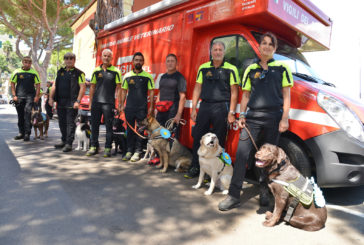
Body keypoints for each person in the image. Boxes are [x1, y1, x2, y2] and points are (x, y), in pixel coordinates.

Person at [218, 32, 294, 211]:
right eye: (264, 43)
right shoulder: (250, 70)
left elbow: (286, 96)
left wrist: (284, 119)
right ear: (259, 47)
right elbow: (245, 94)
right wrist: (242, 116)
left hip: (274, 119)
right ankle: (233, 195)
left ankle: (265, 192)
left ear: (274, 49)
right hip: (252, 119)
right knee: (242, 155)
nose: (267, 46)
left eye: (270, 44)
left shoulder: (282, 68)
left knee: (268, 159)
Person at [184, 41, 239, 178]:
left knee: (218, 140)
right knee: (198, 137)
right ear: (211, 52)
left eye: (220, 49)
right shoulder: (203, 68)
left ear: (224, 52)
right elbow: (197, 87)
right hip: (205, 106)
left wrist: (231, 112)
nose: (218, 52)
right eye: (215, 49)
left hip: (222, 107)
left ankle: (215, 173)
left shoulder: (231, 69)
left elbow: (234, 92)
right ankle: (195, 167)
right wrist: (194, 108)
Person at [119, 52, 155, 162]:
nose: (138, 62)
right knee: (129, 130)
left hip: (142, 108)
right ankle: (129, 150)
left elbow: (152, 92)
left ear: (143, 62)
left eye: (140, 60)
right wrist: (121, 104)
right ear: (133, 62)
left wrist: (151, 108)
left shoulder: (148, 76)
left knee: (140, 130)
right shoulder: (127, 76)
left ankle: (138, 152)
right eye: (136, 60)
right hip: (129, 107)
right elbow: (124, 91)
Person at [86, 49, 122, 157]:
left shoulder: (116, 71)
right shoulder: (96, 70)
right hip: (96, 103)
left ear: (112, 58)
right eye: (104, 56)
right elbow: (92, 87)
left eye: (108, 56)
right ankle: (93, 147)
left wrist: (119, 103)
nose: (106, 58)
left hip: (109, 103)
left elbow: (119, 89)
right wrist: (90, 102)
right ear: (102, 57)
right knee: (94, 126)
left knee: (109, 127)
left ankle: (107, 148)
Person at [49, 52, 86, 152]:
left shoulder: (79, 73)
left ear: (74, 60)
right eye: (67, 58)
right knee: (62, 123)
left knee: (70, 124)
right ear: (64, 60)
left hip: (72, 102)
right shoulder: (60, 72)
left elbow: (82, 87)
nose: (69, 60)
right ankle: (64, 140)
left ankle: (69, 143)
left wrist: (78, 101)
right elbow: (54, 86)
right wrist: (51, 98)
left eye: (71, 58)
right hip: (60, 102)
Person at [10, 56, 41, 142]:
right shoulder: (16, 72)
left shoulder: (34, 72)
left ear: (31, 63)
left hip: (30, 97)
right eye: (25, 62)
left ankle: (27, 133)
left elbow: (38, 85)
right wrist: (14, 95)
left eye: (29, 62)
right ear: (23, 62)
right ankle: (21, 133)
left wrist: (37, 96)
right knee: (20, 116)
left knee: (27, 115)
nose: (27, 64)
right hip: (19, 97)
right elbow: (12, 84)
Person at [155, 53, 186, 131]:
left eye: (172, 61)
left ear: (176, 63)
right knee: (159, 135)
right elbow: (160, 93)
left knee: (170, 137)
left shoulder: (180, 77)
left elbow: (182, 97)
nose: (170, 63)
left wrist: (178, 115)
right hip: (161, 112)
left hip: (172, 112)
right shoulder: (163, 77)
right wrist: (156, 109)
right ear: (165, 63)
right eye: (168, 61)